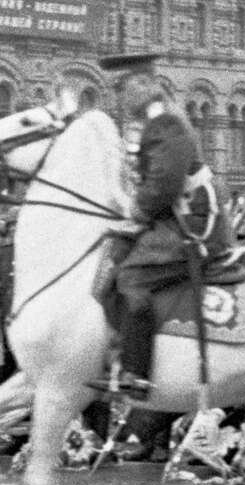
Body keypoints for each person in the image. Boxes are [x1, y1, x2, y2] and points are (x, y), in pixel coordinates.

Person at [93, 51, 231, 398]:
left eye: (122, 88)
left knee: (132, 276)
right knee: (112, 256)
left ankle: (136, 372)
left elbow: (165, 184)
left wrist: (136, 214)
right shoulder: (153, 122)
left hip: (193, 224)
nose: (118, 97)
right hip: (173, 217)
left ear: (143, 85)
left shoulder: (165, 122)